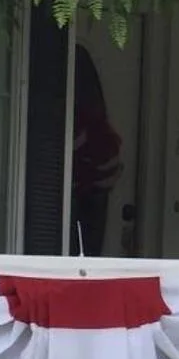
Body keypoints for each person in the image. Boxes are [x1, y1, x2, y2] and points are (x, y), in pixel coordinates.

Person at [70, 44, 122, 257]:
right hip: (93, 190)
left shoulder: (87, 126)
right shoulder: (96, 125)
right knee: (89, 257)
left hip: (87, 191)